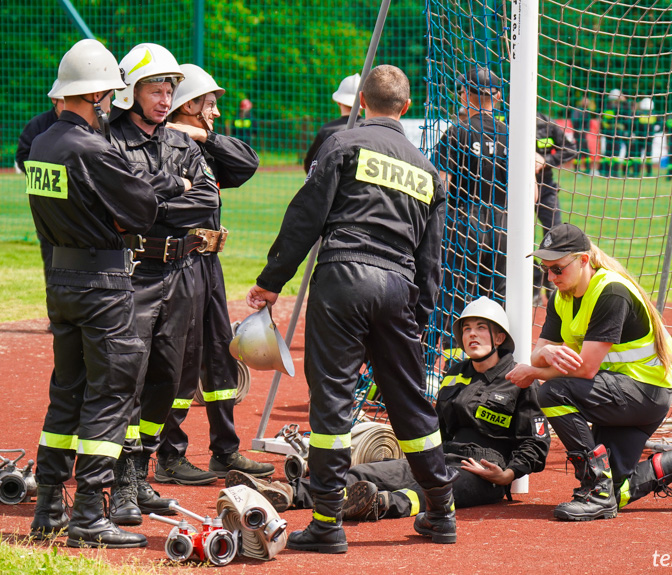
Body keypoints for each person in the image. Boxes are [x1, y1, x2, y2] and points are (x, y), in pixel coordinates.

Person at [245, 65, 458, 553]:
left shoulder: (342, 145)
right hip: (399, 287)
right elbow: (432, 259)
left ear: (362, 101)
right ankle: (442, 511)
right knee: (408, 401)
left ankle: (326, 522)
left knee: (334, 402)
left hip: (344, 276)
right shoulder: (428, 173)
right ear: (405, 108)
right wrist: (418, 320)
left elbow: (304, 218)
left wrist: (271, 282)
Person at [226, 296, 550, 522]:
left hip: (482, 469)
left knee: (428, 492)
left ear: (498, 336)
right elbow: (434, 424)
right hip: (440, 454)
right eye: (466, 328)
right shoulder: (454, 374)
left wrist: (507, 474)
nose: (471, 335)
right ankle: (286, 492)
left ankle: (378, 505)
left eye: (480, 328)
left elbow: (536, 444)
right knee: (364, 474)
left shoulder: (519, 379)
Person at [26, 38, 159, 548]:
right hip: (102, 283)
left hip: (60, 280)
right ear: (99, 95)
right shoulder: (91, 148)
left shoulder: (42, 146)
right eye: (109, 98)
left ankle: (48, 507)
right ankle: (88, 515)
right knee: (109, 395)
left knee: (67, 391)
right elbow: (143, 208)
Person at [506, 223, 672, 521]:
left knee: (552, 392)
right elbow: (539, 351)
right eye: (545, 269)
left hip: (644, 393)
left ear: (583, 260)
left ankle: (596, 490)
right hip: (613, 394)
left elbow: (584, 370)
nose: (551, 277)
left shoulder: (610, 292)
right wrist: (543, 354)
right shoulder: (562, 297)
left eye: (557, 268)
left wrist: (534, 372)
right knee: (618, 490)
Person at [106, 43, 216, 525]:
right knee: (127, 376)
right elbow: (122, 208)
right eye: (155, 87)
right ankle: (123, 481)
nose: (165, 96)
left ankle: (143, 468)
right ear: (131, 92)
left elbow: (208, 201)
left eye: (170, 88)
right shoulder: (109, 140)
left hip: (182, 272)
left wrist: (153, 201)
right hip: (132, 273)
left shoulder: (183, 144)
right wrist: (175, 192)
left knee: (169, 378)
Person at [160, 63, 271, 482]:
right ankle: (169, 456)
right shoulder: (161, 145)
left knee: (220, 355)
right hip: (176, 265)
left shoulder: (201, 145)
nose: (217, 112)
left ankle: (226, 451)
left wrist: (203, 135)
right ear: (188, 104)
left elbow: (247, 163)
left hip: (208, 264)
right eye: (209, 105)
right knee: (179, 361)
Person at [434, 66, 509, 338]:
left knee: (452, 297)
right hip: (503, 225)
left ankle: (435, 366)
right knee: (498, 300)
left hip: (464, 224)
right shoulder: (511, 135)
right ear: (498, 96)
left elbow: (440, 186)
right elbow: (533, 195)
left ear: (465, 94)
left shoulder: (456, 133)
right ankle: (497, 366)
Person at [15, 84, 66, 279]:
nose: (67, 105)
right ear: (54, 100)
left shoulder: (90, 124)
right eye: (63, 100)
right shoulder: (37, 125)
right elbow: (22, 155)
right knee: (51, 257)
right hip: (47, 204)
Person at [533, 112, 578, 303]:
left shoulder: (547, 123)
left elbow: (570, 149)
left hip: (546, 188)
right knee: (517, 240)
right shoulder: (507, 121)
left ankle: (552, 285)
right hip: (512, 190)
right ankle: (532, 285)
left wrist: (545, 161)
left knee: (554, 236)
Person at [303, 73, 363, 173]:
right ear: (364, 102)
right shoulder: (371, 128)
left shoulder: (326, 130)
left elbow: (310, 165)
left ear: (339, 101)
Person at [599, 89, 630, 177]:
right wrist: (625, 102)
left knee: (608, 152)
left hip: (608, 132)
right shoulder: (620, 108)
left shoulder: (606, 107)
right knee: (615, 152)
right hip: (616, 132)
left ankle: (605, 171)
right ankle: (614, 172)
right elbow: (628, 115)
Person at [628, 97, 662, 178]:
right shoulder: (654, 115)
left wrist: (633, 133)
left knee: (637, 155)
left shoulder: (638, 114)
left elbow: (632, 125)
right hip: (649, 138)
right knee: (648, 156)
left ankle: (636, 172)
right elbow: (661, 124)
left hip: (639, 137)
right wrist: (656, 131)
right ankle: (649, 173)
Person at [570, 95, 594, 173]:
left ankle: (588, 169)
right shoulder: (578, 111)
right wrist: (579, 129)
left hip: (583, 135)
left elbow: (587, 124)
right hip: (578, 135)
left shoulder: (587, 111)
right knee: (578, 152)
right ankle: (577, 170)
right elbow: (574, 121)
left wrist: (586, 129)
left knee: (586, 152)